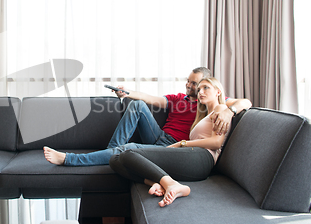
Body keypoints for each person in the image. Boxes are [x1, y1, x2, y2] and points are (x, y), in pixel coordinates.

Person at [43, 67, 251, 166]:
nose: (189, 86)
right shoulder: (178, 98)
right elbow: (148, 98)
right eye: (188, 81)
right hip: (158, 136)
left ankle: (72, 160)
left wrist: (229, 109)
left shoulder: (209, 103)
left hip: (172, 147)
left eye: (194, 84)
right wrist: (126, 92)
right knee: (138, 105)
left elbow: (246, 103)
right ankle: (109, 152)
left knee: (130, 148)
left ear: (208, 86)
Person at [109, 77, 233, 207]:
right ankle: (157, 183)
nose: (200, 92)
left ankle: (171, 184)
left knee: (128, 154)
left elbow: (216, 142)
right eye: (199, 89)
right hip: (192, 157)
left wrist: (182, 143)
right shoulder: (203, 115)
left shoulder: (221, 109)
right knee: (115, 160)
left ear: (218, 92)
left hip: (202, 159)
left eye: (206, 88)